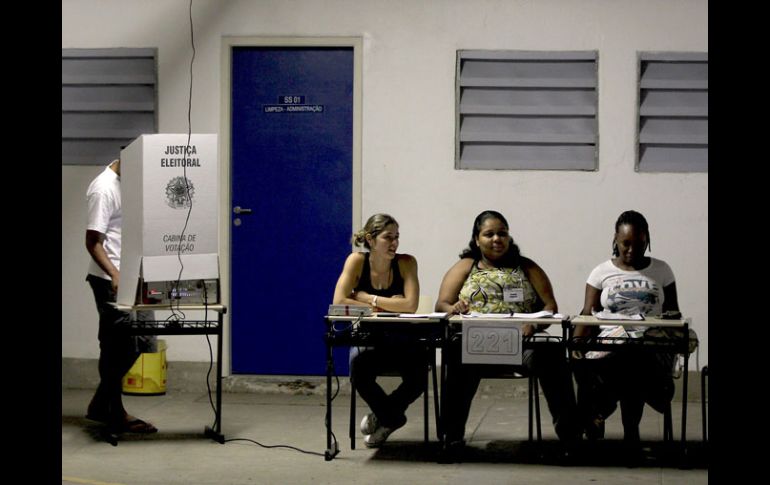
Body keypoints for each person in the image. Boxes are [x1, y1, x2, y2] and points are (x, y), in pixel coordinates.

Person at [435, 210, 580, 455]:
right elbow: (441, 305)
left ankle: (569, 436)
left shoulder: (526, 266)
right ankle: (451, 437)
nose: (496, 239)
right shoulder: (465, 266)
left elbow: (550, 306)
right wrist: (454, 309)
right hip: (478, 345)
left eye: (502, 233)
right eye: (489, 234)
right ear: (477, 239)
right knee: (455, 354)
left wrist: (534, 325)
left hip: (521, 345)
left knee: (552, 355)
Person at [572, 210, 680, 445]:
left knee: (633, 357)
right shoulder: (601, 272)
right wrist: (576, 345)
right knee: (627, 360)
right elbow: (587, 314)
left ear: (647, 240)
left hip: (650, 348)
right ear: (615, 240)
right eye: (626, 244)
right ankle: (630, 430)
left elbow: (673, 315)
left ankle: (600, 413)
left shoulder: (662, 270)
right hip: (610, 347)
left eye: (639, 244)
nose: (632, 250)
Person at [332, 213, 424, 448]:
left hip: (402, 338)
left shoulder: (406, 262)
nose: (394, 243)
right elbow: (339, 301)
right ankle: (392, 419)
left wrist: (366, 298)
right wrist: (390, 303)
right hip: (370, 339)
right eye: (388, 237)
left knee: (419, 377)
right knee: (358, 370)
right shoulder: (356, 261)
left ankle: (381, 416)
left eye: (397, 237)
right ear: (370, 240)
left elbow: (410, 305)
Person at [85, 156, 157, 434]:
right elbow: (93, 242)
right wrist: (115, 274)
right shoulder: (104, 188)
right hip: (109, 280)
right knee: (116, 346)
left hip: (135, 277)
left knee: (142, 341)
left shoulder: (128, 183)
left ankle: (100, 404)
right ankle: (115, 412)